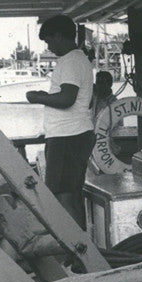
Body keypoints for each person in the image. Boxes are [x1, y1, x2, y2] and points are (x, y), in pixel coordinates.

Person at [26, 14, 94, 229]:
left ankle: (78, 256)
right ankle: (81, 253)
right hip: (71, 135)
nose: (49, 47)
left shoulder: (71, 61)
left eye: (49, 41)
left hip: (68, 137)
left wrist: (38, 97)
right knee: (69, 194)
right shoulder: (77, 59)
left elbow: (67, 99)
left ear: (59, 36)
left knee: (64, 197)